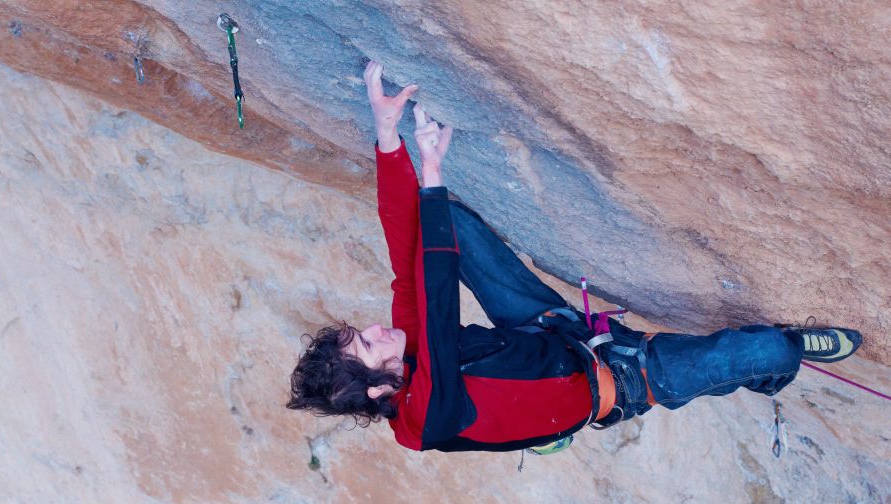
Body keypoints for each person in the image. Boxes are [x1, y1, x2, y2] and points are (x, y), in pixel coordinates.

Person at [286, 61, 862, 453]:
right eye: (366, 344)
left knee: (445, 227)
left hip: (545, 332)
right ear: (380, 392)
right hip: (624, 379)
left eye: (357, 332)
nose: (374, 329)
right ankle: (770, 370)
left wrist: (388, 133)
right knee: (770, 349)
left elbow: (406, 260)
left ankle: (750, 367)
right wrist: (431, 171)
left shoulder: (404, 359)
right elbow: (435, 303)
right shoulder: (428, 417)